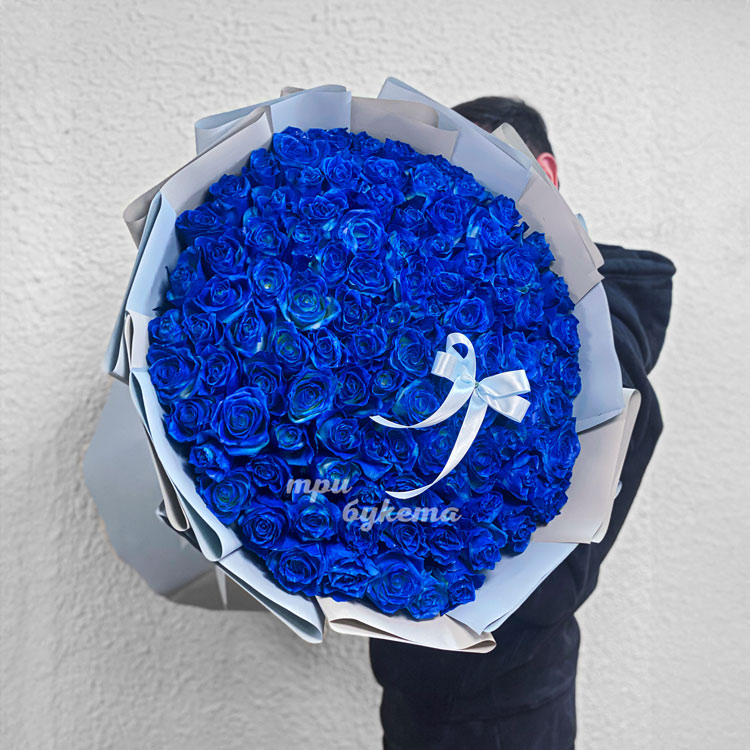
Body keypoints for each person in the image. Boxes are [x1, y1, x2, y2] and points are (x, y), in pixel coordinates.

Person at [369, 96, 676, 750]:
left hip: (499, 695)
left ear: (546, 173)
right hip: (420, 674)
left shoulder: (596, 332)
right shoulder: (465, 302)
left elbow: (560, 536)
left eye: (488, 171)